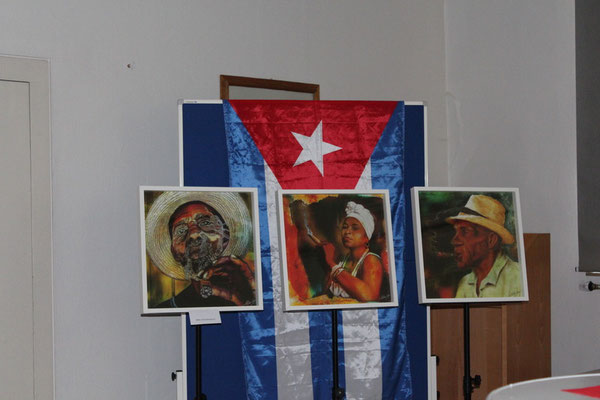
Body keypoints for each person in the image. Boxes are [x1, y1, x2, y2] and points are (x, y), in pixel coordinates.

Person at [145, 191, 255, 308]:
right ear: (174, 252)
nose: (194, 234)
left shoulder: (250, 296)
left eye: (205, 223)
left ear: (226, 236)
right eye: (181, 231)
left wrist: (247, 301)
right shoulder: (166, 309)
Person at [446, 194, 522, 298]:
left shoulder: (517, 278)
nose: (454, 241)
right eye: (456, 231)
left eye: (465, 231)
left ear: (491, 240)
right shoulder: (464, 284)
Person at [325, 201, 384, 302]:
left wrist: (331, 263)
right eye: (345, 227)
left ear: (367, 237)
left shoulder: (371, 260)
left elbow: (369, 297)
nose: (347, 232)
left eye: (355, 228)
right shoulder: (342, 260)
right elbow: (326, 292)